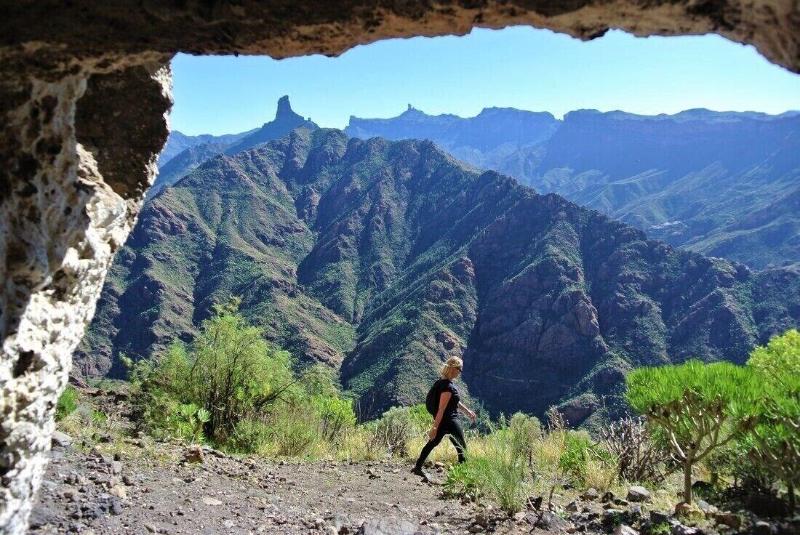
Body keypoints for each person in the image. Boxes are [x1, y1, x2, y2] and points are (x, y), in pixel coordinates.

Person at [412, 356, 476, 481]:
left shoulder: (441, 383)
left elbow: (453, 401)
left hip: (443, 421)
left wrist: (467, 411)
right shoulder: (448, 387)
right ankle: (463, 476)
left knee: (433, 443)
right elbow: (441, 408)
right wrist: (434, 428)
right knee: (462, 448)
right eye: (460, 369)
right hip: (450, 421)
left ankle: (418, 467)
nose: (460, 372)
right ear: (453, 369)